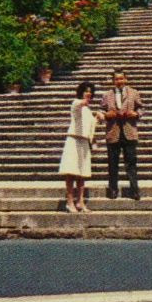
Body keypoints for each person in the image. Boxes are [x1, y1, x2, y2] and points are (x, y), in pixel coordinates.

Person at [58, 80, 100, 214]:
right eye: (85, 91)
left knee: (82, 174)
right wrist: (83, 102)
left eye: (90, 92)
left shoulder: (88, 110)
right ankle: (69, 202)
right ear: (81, 92)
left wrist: (98, 118)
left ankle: (80, 201)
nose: (88, 93)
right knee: (71, 173)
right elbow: (78, 105)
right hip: (74, 140)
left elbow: (90, 126)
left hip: (84, 142)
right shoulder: (76, 103)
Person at [102, 69, 144, 200]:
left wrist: (136, 114)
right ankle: (113, 189)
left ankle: (134, 190)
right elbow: (101, 110)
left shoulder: (134, 93)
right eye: (116, 79)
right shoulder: (107, 94)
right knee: (112, 163)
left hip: (129, 131)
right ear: (113, 81)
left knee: (131, 163)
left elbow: (141, 108)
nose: (119, 81)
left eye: (121, 79)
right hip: (113, 131)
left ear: (125, 79)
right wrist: (105, 115)